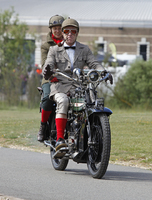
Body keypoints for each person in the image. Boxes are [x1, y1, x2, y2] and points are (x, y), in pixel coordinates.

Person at [43, 18, 113, 150]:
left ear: (77, 33)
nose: (70, 34)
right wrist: (48, 71)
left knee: (90, 101)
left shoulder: (84, 49)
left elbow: (94, 63)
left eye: (73, 31)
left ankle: (89, 133)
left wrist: (104, 72)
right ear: (63, 33)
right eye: (66, 31)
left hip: (79, 86)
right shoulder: (53, 50)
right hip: (60, 86)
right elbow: (49, 64)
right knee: (63, 101)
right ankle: (59, 140)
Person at [37, 15, 64, 142]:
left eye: (60, 28)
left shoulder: (70, 43)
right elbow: (44, 65)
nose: (57, 31)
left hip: (67, 79)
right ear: (51, 30)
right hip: (49, 79)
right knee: (47, 98)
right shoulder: (45, 46)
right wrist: (51, 74)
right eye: (55, 28)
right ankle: (43, 126)